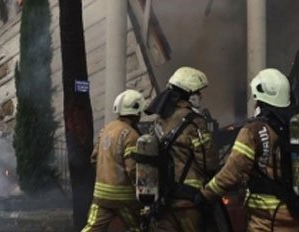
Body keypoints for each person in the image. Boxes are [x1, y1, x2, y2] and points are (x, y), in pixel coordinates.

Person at [200, 68, 299, 232]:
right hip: (297, 216)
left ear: (260, 100)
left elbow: (231, 173)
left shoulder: (253, 130)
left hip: (266, 221)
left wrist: (205, 194)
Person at [146, 66, 218, 232]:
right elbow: (209, 163)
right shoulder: (195, 121)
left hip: (163, 200)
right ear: (188, 94)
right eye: (197, 92)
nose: (200, 96)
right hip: (188, 200)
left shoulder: (158, 122)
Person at [82, 89, 146, 232]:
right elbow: (132, 169)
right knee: (137, 227)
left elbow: (94, 159)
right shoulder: (131, 135)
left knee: (92, 228)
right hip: (124, 197)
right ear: (136, 113)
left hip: (101, 195)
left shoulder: (105, 129)